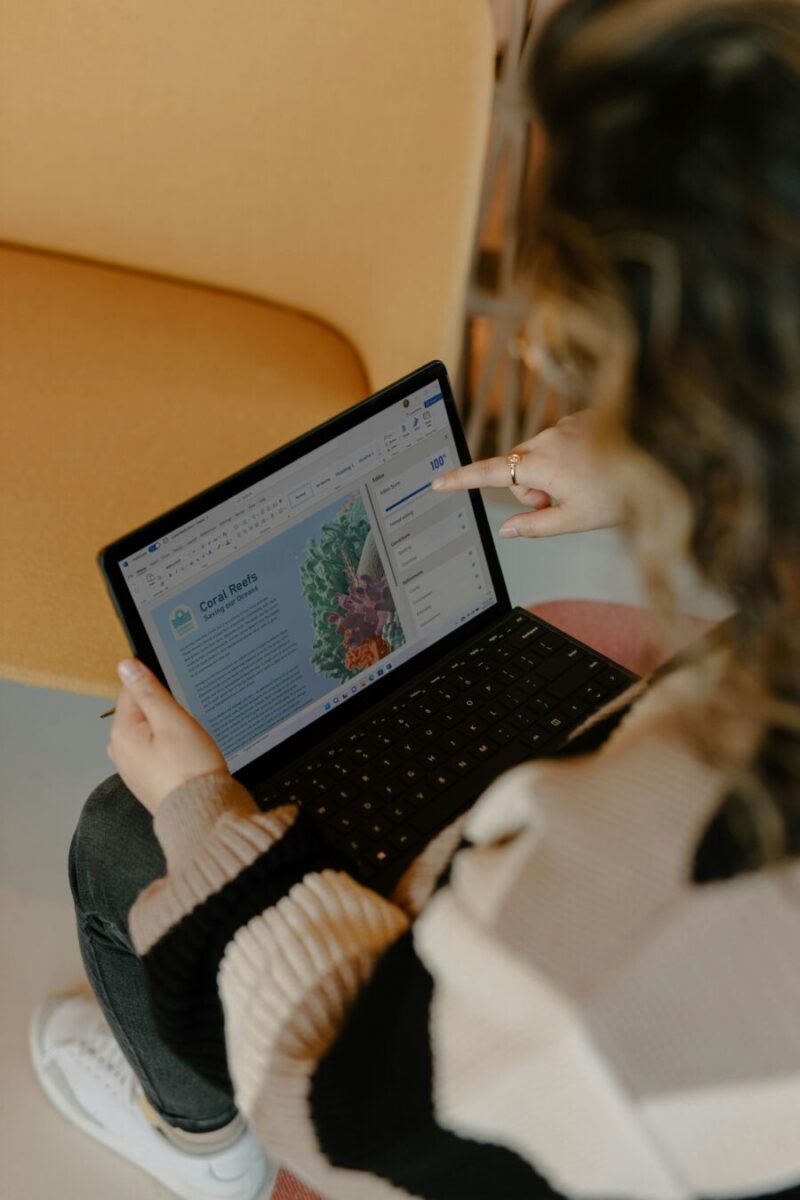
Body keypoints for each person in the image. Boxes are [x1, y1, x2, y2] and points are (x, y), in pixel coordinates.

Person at [31, 1, 800, 1198]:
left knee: (121, 833)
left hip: (472, 1098)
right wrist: (661, 456)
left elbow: (334, 1085)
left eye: (600, 349)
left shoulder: (606, 988)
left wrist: (197, 807)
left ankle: (201, 1150)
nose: (548, 356)